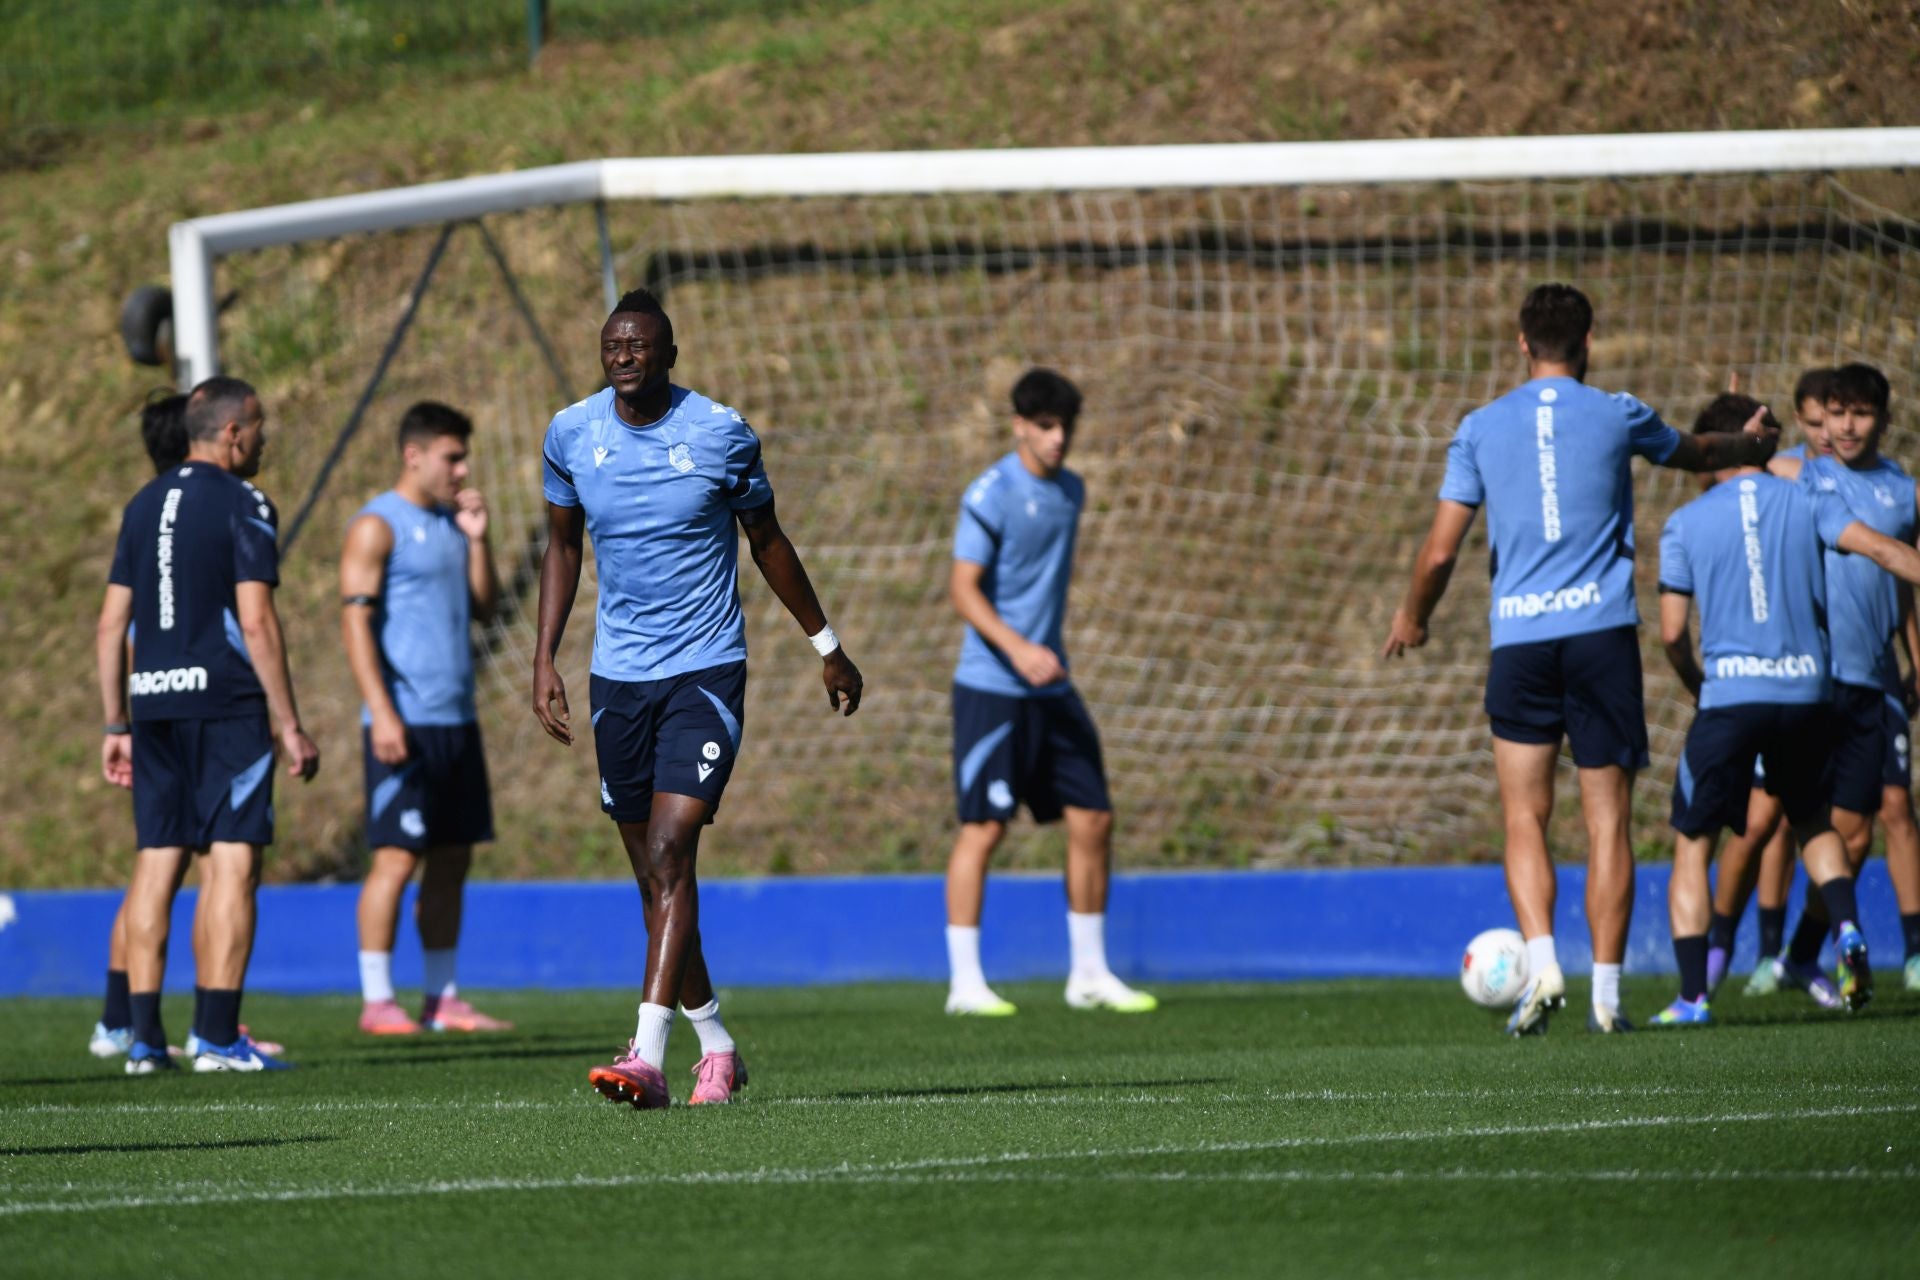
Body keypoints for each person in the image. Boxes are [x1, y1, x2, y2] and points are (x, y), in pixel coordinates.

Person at [1381, 282, 1778, 1036]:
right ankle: (1604, 996)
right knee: (1607, 821)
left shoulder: (1478, 426)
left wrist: (1413, 616)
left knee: (1524, 815)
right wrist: (1754, 445)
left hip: (1522, 644)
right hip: (1600, 640)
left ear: (1522, 342)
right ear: (1588, 341)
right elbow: (1698, 453)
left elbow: (1439, 552)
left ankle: (1542, 960)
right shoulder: (1619, 412)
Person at [534, 288, 863, 1109]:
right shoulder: (571, 435)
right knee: (654, 877)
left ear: (669, 356)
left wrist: (827, 646)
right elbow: (561, 546)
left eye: (640, 343)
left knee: (675, 850)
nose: (623, 354)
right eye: (612, 343)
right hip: (619, 679)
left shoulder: (719, 433)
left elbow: (767, 541)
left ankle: (644, 1054)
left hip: (705, 671)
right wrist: (544, 659)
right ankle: (716, 1044)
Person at [1651, 392, 1912, 1023]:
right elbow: (1880, 550)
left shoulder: (1686, 524)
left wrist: (1696, 681)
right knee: (1814, 822)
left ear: (1709, 453)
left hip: (1732, 697)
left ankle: (1692, 997)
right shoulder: (1809, 500)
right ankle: (1847, 926)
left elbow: (1670, 634)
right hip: (1805, 696)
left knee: (1694, 840)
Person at [95, 375, 319, 1073]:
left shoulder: (141, 504)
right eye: (258, 426)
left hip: (152, 702)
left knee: (156, 863)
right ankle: (218, 1037)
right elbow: (255, 618)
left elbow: (110, 626)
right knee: (233, 860)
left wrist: (114, 722)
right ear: (232, 432)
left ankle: (141, 1040)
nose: (263, 439)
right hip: (225, 705)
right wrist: (289, 723)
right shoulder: (244, 502)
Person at [941, 368, 1156, 1017]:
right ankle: (965, 985)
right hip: (993, 685)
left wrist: (1044, 655)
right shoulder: (992, 493)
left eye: (1066, 428)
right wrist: (1019, 649)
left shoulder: (1072, 492)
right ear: (1019, 427)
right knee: (984, 827)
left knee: (1095, 816)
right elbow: (962, 589)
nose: (1059, 439)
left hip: (1050, 683)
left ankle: (1089, 973)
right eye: (1046, 427)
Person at [342, 402, 512, 1035]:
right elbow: (353, 624)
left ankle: (441, 998)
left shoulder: (451, 521)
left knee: (452, 860)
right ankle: (378, 1000)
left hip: (456, 721)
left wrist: (478, 538)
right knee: (394, 858)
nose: (462, 468)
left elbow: (486, 607)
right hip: (403, 722)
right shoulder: (376, 527)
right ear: (413, 455)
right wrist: (382, 714)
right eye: (452, 456)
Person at [1777, 364, 1920, 996]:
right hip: (1817, 681)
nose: (1846, 425)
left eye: (1861, 413)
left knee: (1861, 833)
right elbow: (1740, 471)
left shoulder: (1903, 491)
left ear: (1884, 421)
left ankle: (1805, 952)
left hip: (1874, 678)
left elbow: (1905, 590)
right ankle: (1789, 947)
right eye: (1836, 412)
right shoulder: (1802, 474)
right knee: (1806, 822)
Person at [1704, 368, 1839, 999]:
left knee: (1836, 820)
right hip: (1775, 677)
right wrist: (1744, 446)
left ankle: (1798, 952)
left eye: (1838, 418)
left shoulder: (1858, 488)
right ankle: (1729, 950)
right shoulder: (1785, 478)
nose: (1831, 431)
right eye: (1815, 421)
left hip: (1825, 679)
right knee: (1759, 824)